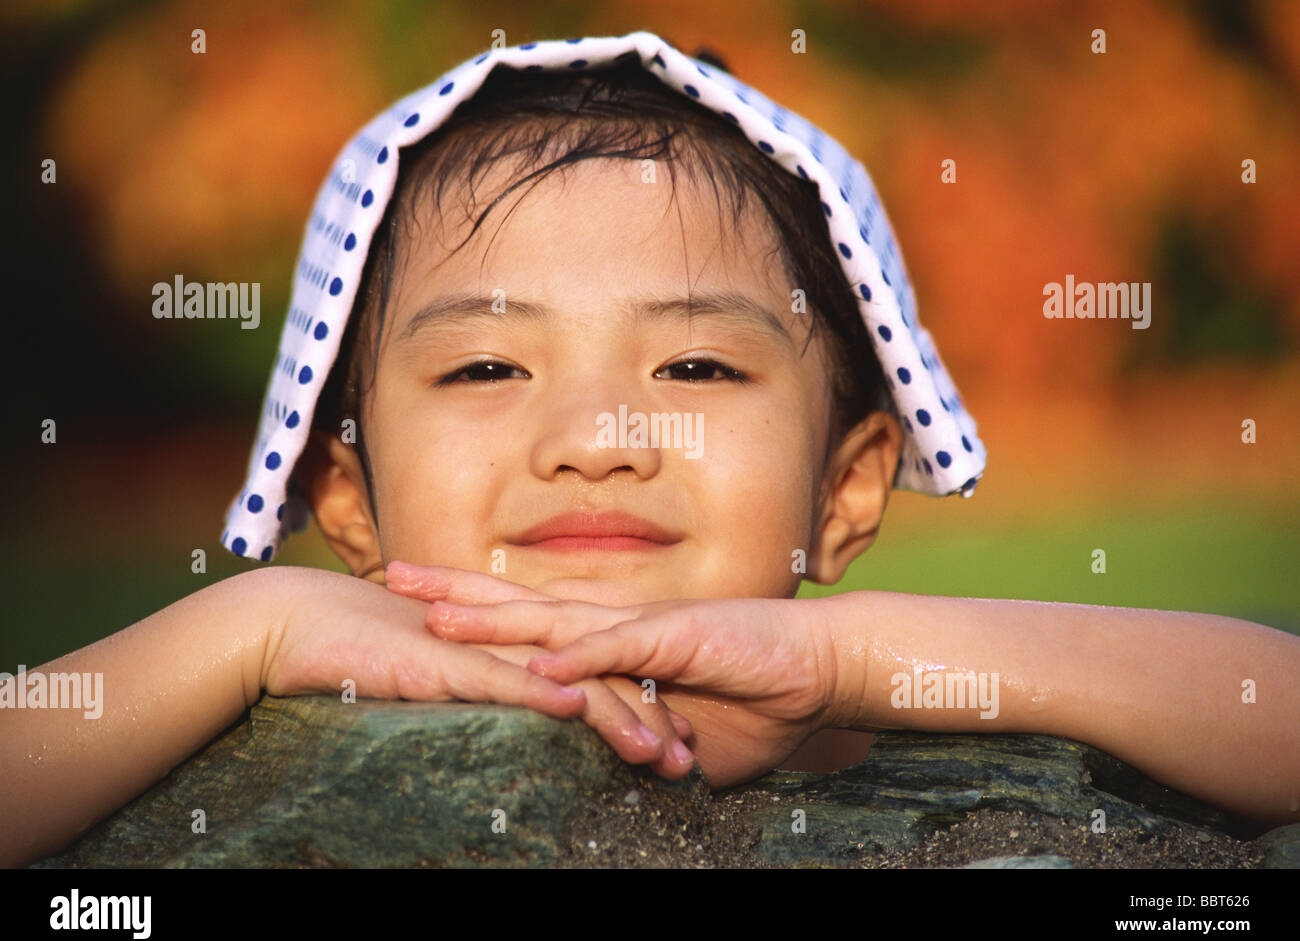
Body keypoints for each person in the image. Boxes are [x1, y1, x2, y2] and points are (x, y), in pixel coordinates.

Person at [3, 32, 1296, 870]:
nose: (599, 439)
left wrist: (844, 657)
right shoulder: (271, 708)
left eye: (693, 366)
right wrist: (254, 626)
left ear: (845, 490)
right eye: (486, 368)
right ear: (345, 494)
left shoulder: (864, 729)